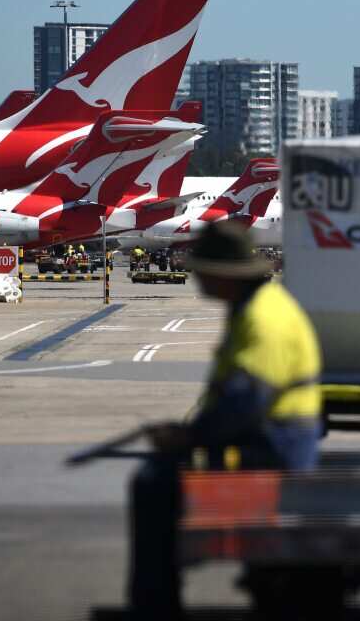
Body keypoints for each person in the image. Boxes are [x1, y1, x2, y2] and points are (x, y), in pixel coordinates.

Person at [128, 221, 321, 612]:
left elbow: (246, 401)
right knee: (159, 476)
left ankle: (154, 604)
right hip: (265, 439)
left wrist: (189, 437)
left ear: (223, 275)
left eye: (201, 270)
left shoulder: (265, 320)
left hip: (273, 447)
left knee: (154, 485)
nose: (196, 277)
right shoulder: (253, 308)